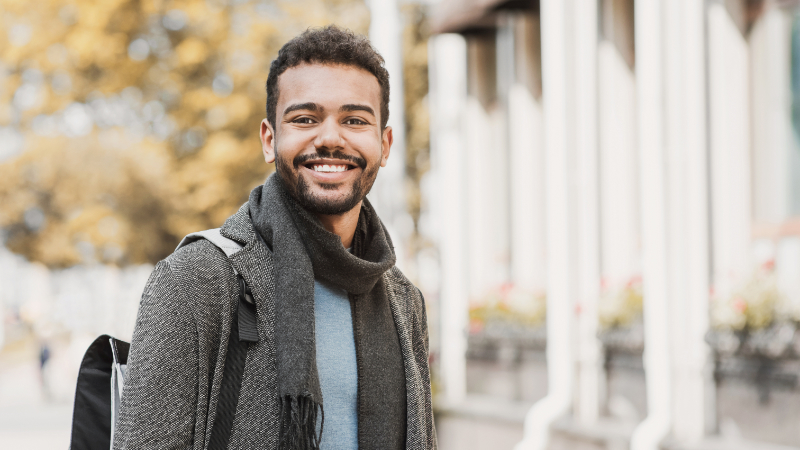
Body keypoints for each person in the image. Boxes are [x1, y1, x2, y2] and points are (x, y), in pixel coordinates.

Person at [112, 25, 436, 450]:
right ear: (269, 139)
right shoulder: (196, 282)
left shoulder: (403, 301)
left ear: (385, 143)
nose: (331, 138)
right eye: (305, 119)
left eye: (355, 120)